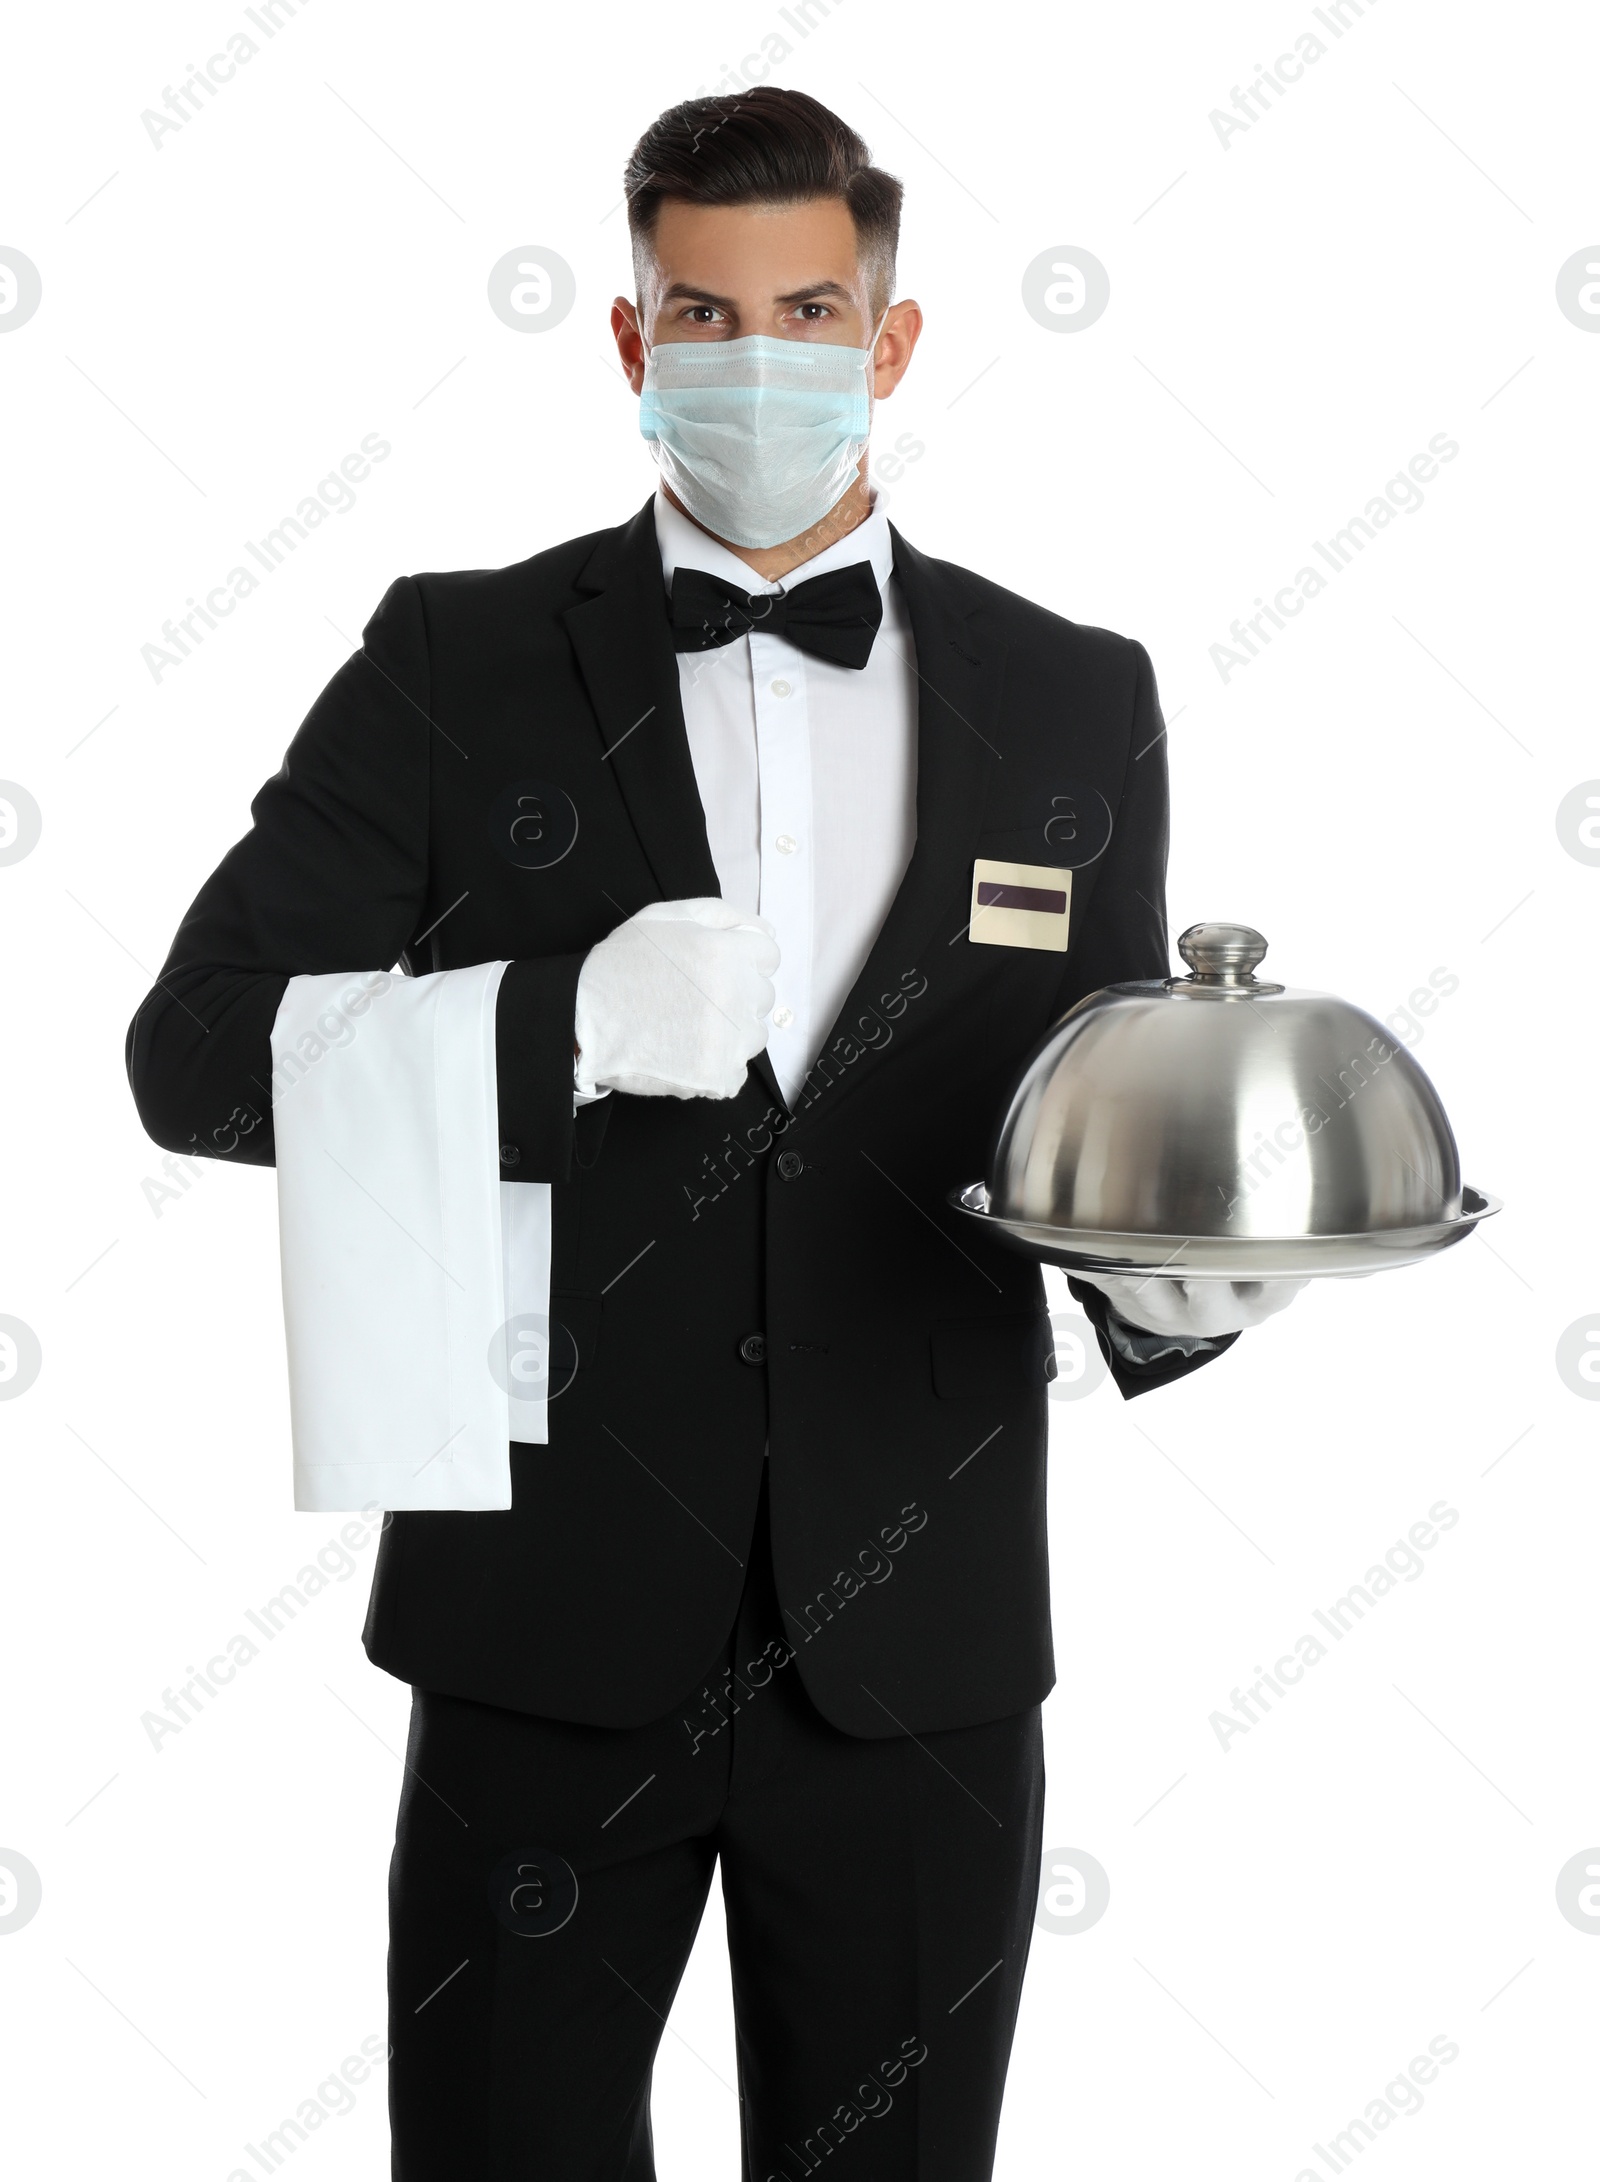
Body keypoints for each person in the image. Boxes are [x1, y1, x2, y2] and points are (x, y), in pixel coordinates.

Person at [127, 86, 1300, 2182]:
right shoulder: (450, 658)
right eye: (701, 311)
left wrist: (1181, 1291)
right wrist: (558, 1023)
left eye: (805, 307)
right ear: (628, 341)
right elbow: (193, 1052)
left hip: (922, 1648)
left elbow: (1094, 1123)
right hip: (540, 1623)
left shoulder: (1071, 692)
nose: (753, 353)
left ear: (892, 337)